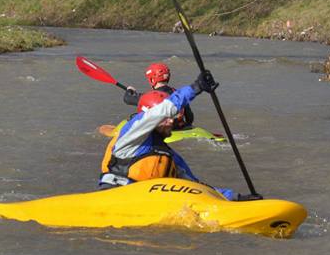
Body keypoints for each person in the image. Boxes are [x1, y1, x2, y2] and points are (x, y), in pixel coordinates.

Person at [100, 70, 236, 200]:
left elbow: (195, 185)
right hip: (113, 195)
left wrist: (232, 197)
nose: (172, 121)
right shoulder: (131, 136)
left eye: (172, 117)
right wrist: (196, 87)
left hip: (146, 203)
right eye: (166, 118)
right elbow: (164, 110)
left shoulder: (167, 155)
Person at [122, 62, 194, 129]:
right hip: (177, 127)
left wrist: (129, 90)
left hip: (160, 129)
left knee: (134, 117)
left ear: (152, 80)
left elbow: (127, 99)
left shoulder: (150, 97)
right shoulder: (178, 94)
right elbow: (190, 117)